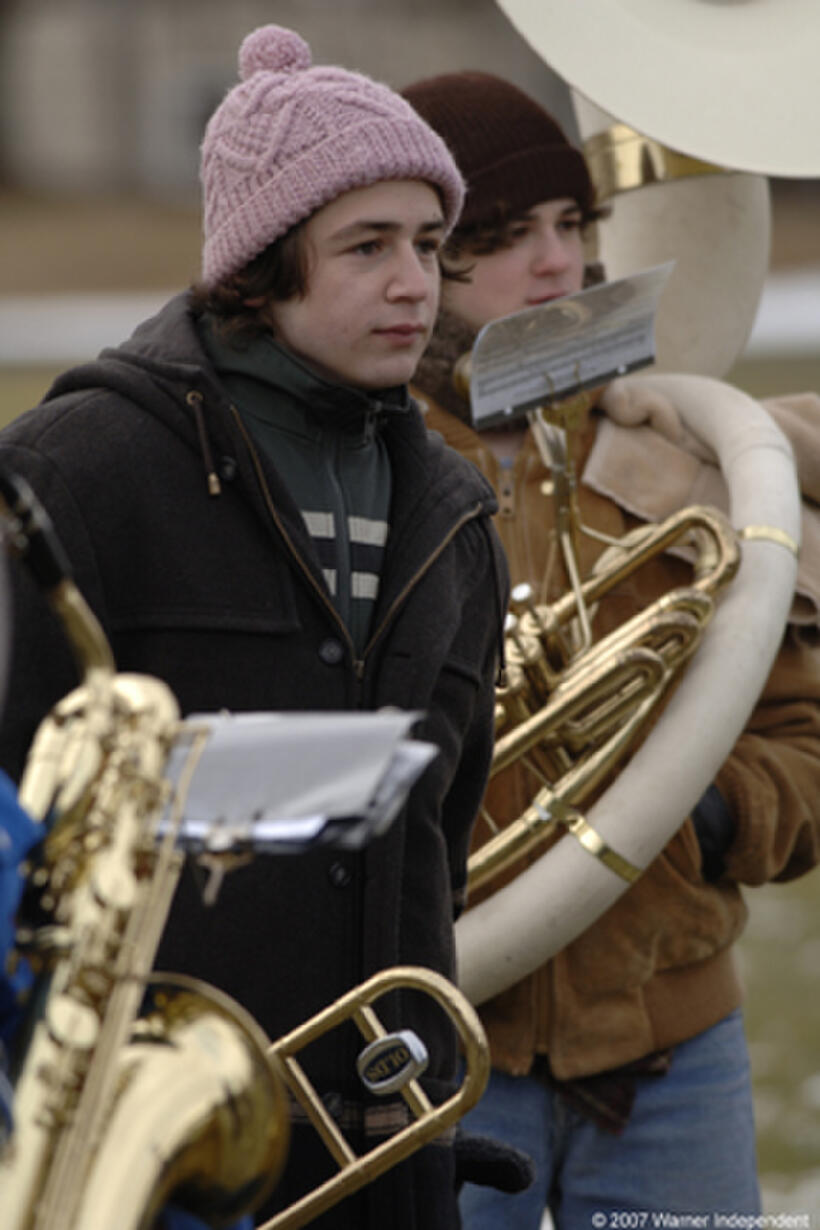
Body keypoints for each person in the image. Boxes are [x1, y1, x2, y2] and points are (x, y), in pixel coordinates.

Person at [0, 28, 510, 1228]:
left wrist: (415, 1072)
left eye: (430, 245)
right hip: (128, 1150)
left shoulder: (455, 504)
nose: (413, 283)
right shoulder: (73, 471)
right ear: (263, 265)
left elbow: (442, 824)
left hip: (383, 1141)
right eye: (366, 247)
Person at [402, 70, 820, 1226]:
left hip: (673, 1056)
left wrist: (702, 818)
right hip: (442, 1060)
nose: (558, 263)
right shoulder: (359, 485)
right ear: (413, 257)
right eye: (497, 238)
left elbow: (799, 741)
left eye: (572, 224)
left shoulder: (675, 453)